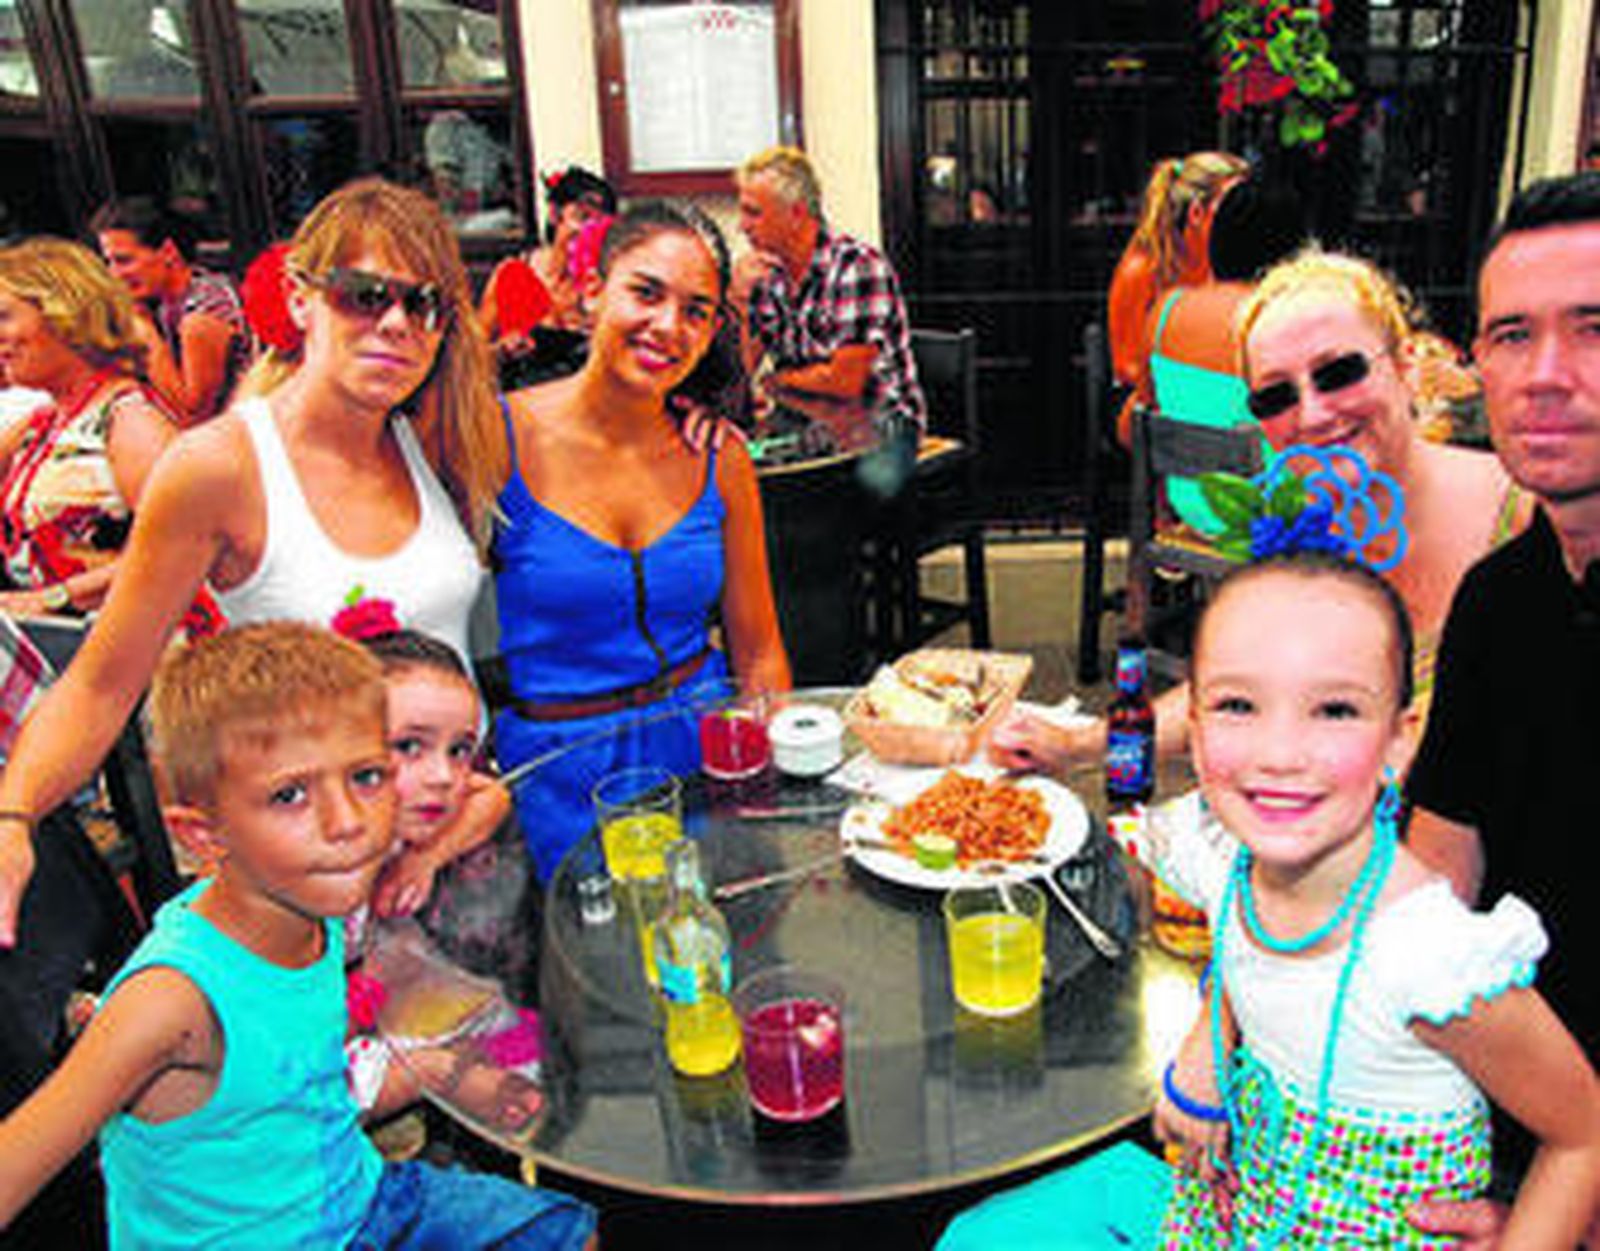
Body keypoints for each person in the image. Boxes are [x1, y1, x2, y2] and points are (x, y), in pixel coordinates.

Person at [0, 176, 504, 948]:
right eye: (364, 295)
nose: (397, 323)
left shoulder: (426, 438)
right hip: (319, 883)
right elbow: (104, 682)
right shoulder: (222, 467)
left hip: (449, 850)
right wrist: (15, 813)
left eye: (424, 304)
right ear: (302, 298)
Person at [0, 622, 598, 1248]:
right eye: (289, 795)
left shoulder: (311, 904)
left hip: (357, 1198)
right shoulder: (170, 1003)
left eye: (366, 777)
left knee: (571, 1234)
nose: (347, 823)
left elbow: (485, 795)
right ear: (204, 836)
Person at [1151, 551, 1600, 1247]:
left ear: (1398, 741)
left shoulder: (1426, 956)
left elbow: (1583, 1131)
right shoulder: (1223, 857)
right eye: (1238, 704)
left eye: (1334, 709)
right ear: (1196, 731)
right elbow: (1249, 958)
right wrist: (1208, 1048)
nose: (1280, 751)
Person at [993, 245, 1531, 770]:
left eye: (1338, 372)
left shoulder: (1533, 519)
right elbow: (1233, 692)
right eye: (1276, 397)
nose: (1313, 415)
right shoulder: (1297, 534)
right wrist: (1076, 745)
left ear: (1406, 365)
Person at [1402, 172, 1600, 1244]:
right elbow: (1433, 892)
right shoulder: (1503, 599)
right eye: (1512, 335)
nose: (1546, 376)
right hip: (1487, 1141)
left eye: (1593, 328)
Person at [494, 199, 791, 879]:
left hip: (700, 751)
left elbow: (761, 649)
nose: (668, 326)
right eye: (646, 293)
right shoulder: (496, 437)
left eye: (696, 310)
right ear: (593, 290)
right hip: (556, 769)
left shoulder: (721, 457)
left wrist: (761, 770)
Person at [0, 238, 175, 617]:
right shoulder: (41, 423)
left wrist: (48, 600)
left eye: (3, 317)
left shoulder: (130, 420)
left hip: (130, 651)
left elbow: (180, 550)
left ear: (64, 314)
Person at [1131, 173, 1308, 534]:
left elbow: (1146, 406)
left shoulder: (1167, 309)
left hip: (1192, 504)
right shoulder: (1277, 320)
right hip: (1263, 516)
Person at [731, 145, 925, 443]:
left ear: (796, 213)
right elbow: (739, 376)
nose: (742, 226)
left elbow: (845, 382)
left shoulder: (857, 266)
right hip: (803, 421)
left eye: (753, 213)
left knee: (798, 483)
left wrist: (777, 381)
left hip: (878, 425)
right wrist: (738, 302)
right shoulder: (764, 274)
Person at [1108, 151, 1248, 445]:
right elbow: (1126, 365)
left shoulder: (1227, 261)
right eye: (1229, 206)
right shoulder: (1143, 268)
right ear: (1197, 213)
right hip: (1145, 399)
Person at [92, 197, 253, 425]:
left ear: (168, 251)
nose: (114, 274)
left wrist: (146, 332)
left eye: (124, 261)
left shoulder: (202, 313)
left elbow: (194, 418)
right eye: (109, 262)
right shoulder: (164, 302)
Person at [480, 166, 616, 342]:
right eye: (582, 217)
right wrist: (504, 349)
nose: (587, 231)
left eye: (598, 225)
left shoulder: (600, 285)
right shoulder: (512, 275)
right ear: (555, 213)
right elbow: (477, 347)